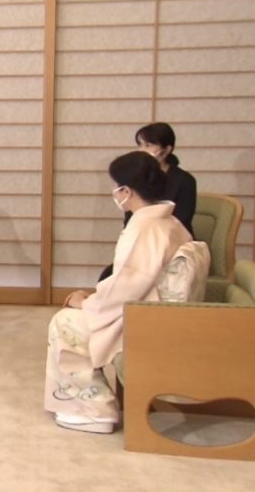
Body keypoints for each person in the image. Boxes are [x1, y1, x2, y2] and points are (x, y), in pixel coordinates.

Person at [44, 151, 192, 434]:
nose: (115, 193)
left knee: (65, 322)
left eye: (116, 187)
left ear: (126, 191)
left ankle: (94, 410)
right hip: (155, 310)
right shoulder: (168, 222)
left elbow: (128, 287)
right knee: (75, 314)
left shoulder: (146, 228)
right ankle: (92, 404)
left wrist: (87, 302)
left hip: (144, 319)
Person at [99, 122, 196, 281]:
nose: (142, 150)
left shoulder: (184, 180)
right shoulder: (136, 178)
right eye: (140, 145)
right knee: (109, 275)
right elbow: (131, 217)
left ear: (167, 149)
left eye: (148, 145)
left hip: (168, 244)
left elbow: (182, 220)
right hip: (142, 239)